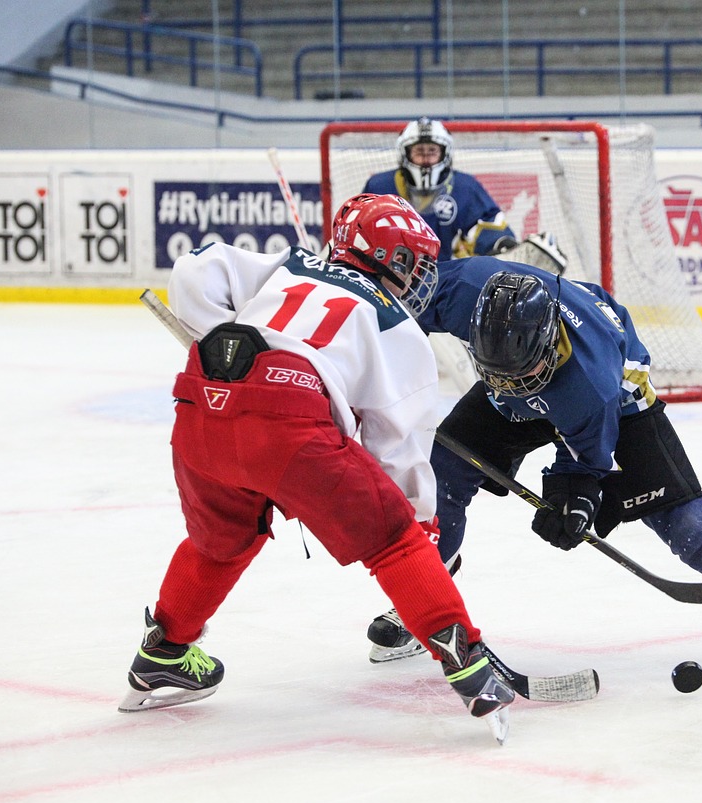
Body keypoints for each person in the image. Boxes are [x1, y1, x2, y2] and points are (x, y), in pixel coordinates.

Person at [118, 193, 516, 743]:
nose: (421, 276)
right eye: (415, 262)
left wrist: (226, 339)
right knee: (396, 540)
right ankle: (470, 666)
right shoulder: (398, 325)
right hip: (290, 424)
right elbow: (398, 447)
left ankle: (162, 652)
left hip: (201, 400)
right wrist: (418, 525)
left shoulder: (289, 263)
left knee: (220, 542)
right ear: (392, 259)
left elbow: (195, 267)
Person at [366, 255, 702, 669]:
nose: (514, 385)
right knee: (440, 471)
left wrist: (572, 501)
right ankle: (426, 596)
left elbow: (584, 464)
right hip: (525, 377)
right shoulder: (468, 289)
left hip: (617, 398)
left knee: (679, 514)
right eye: (497, 373)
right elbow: (384, 308)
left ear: (549, 343)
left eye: (524, 374)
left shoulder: (590, 388)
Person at [362, 117, 517, 260]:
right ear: (405, 154)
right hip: (392, 280)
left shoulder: (466, 188)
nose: (426, 159)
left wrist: (499, 244)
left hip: (449, 279)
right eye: (419, 152)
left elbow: (491, 229)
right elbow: (362, 233)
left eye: (432, 151)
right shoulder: (379, 187)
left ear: (445, 153)